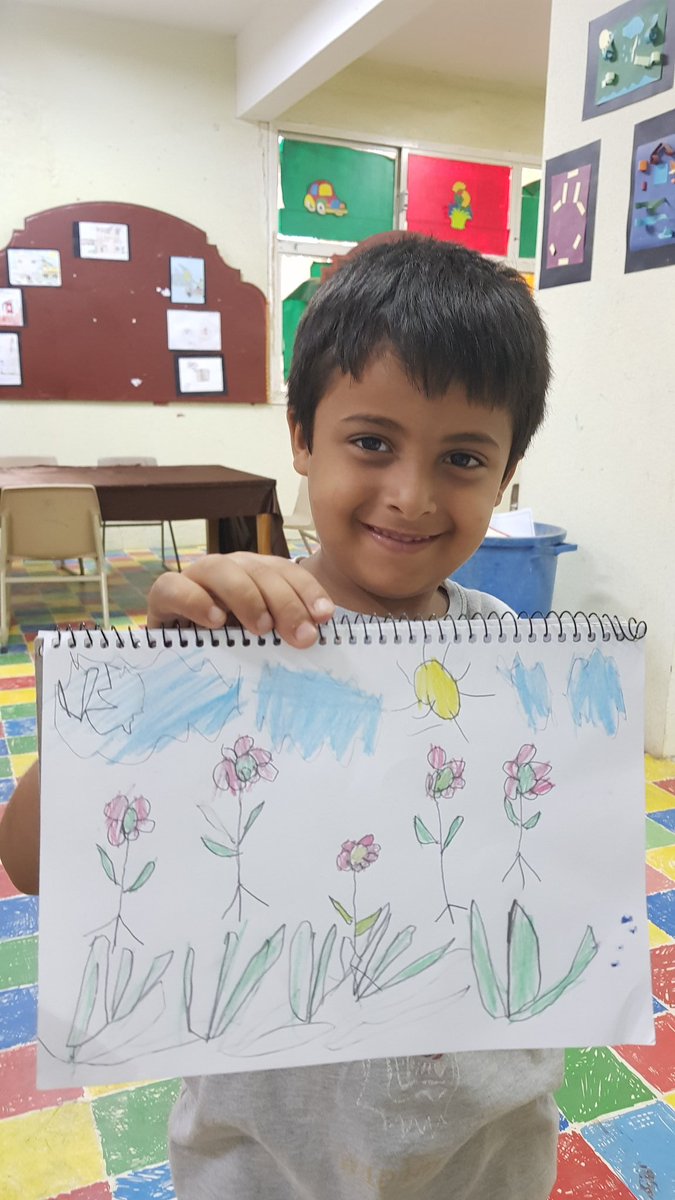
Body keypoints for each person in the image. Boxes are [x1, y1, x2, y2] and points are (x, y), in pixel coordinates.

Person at [0, 236, 563, 1198]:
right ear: (301, 436)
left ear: (507, 472)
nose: (411, 496)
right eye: (371, 442)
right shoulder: (223, 644)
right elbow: (31, 862)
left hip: (484, 1155)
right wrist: (153, 685)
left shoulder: (518, 657)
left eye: (463, 457)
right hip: (263, 1164)